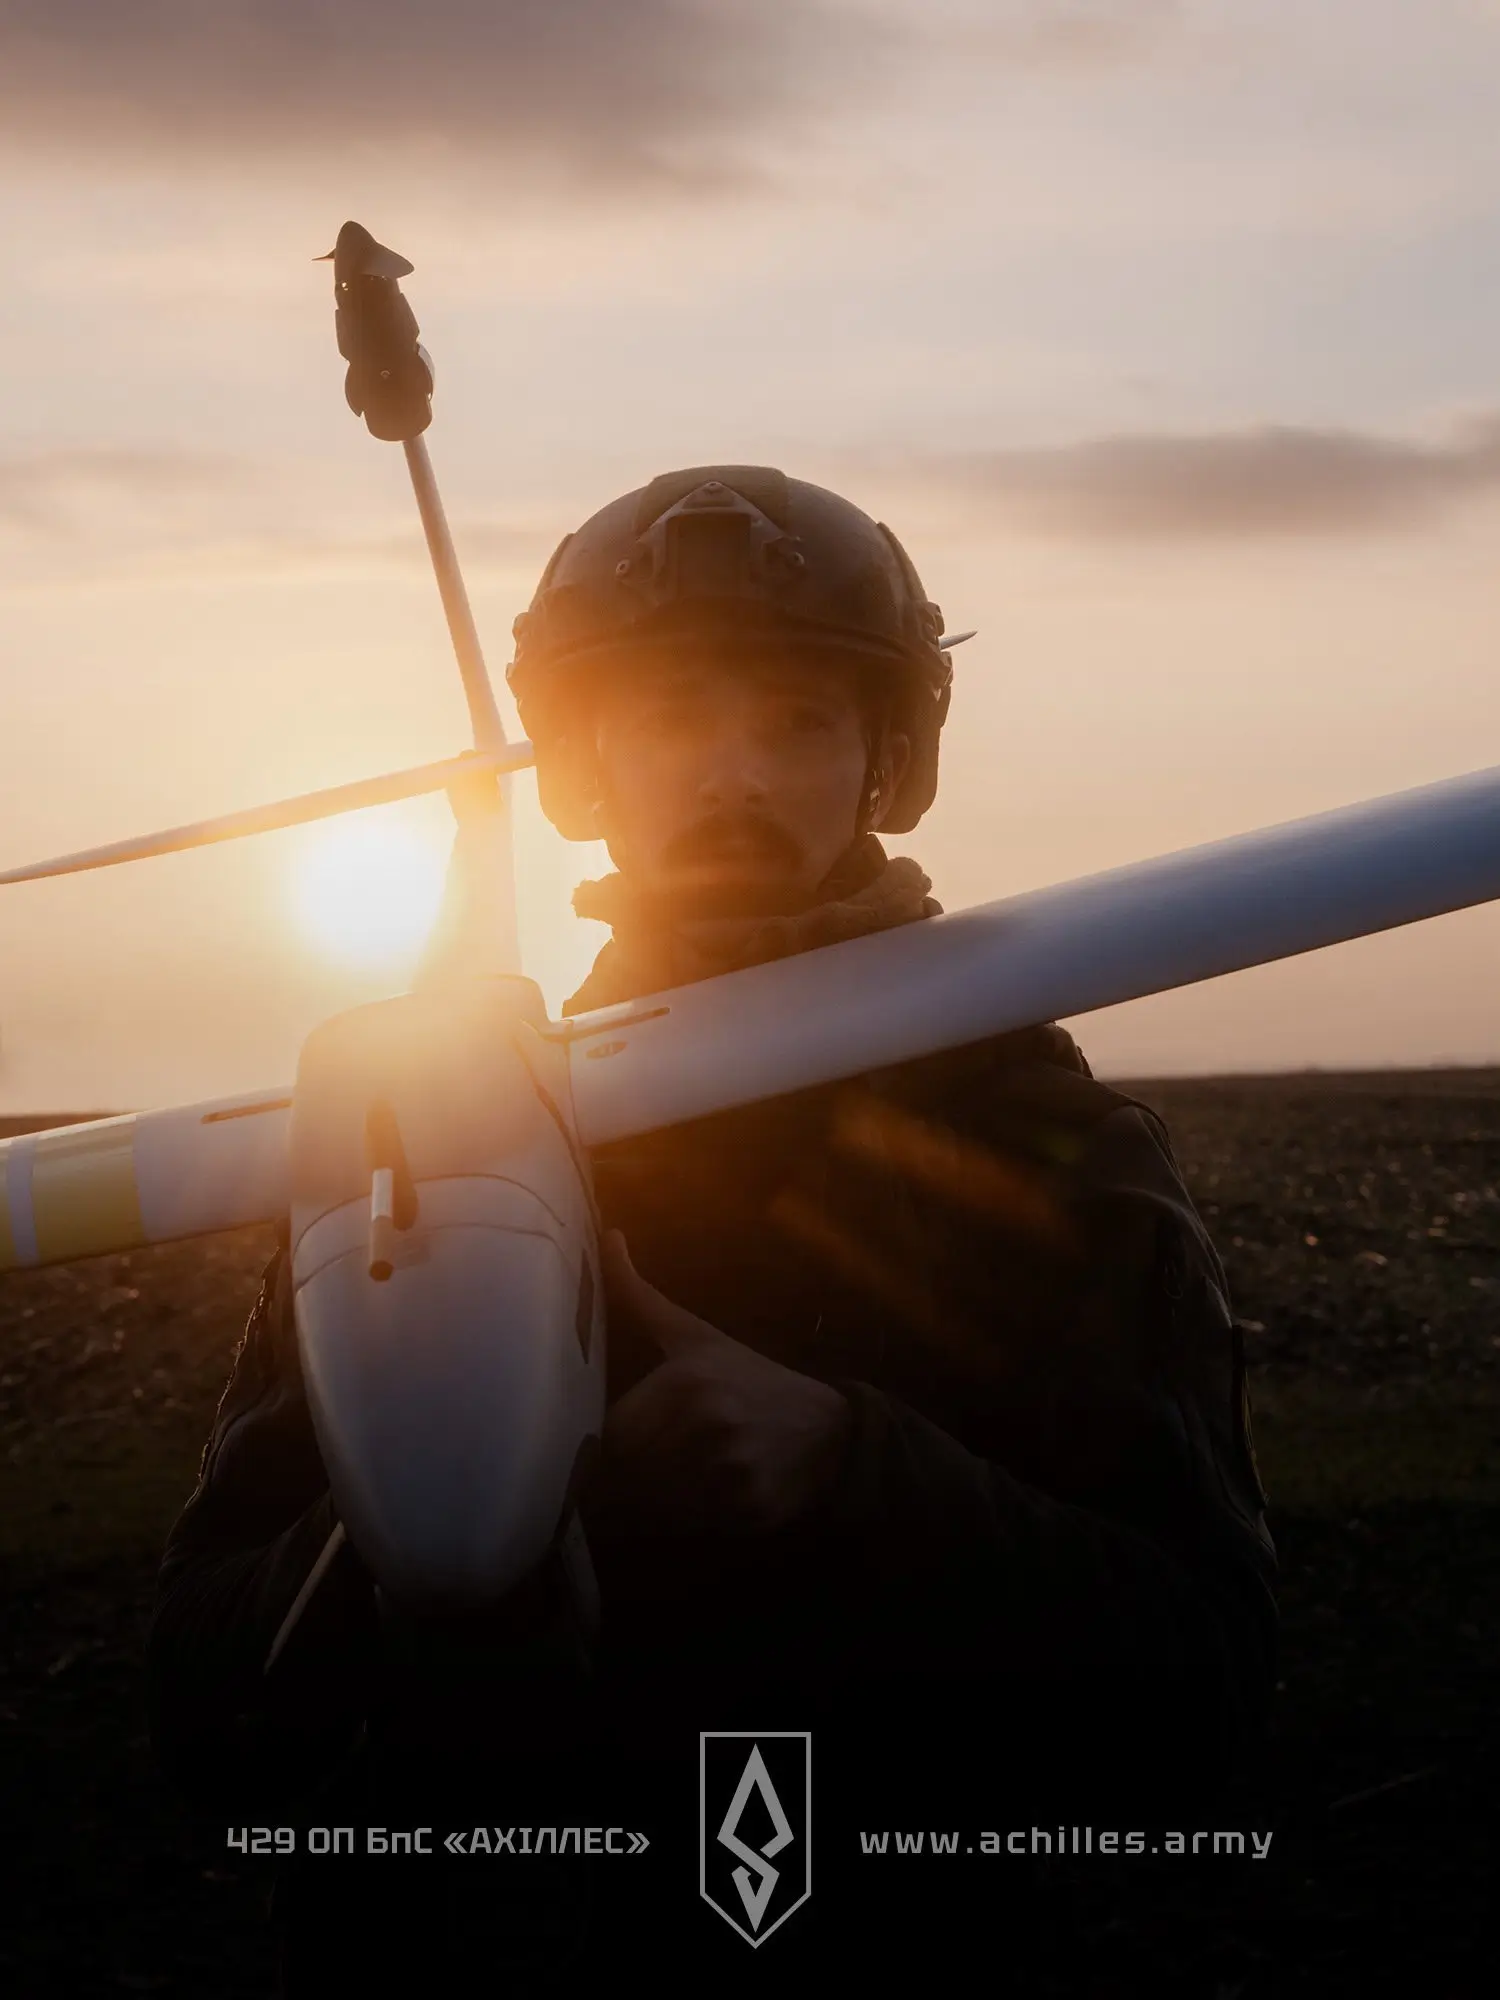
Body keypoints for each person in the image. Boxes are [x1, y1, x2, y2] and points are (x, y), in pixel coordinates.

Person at [146, 465, 1277, 1991]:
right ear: (589, 766)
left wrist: (852, 1467)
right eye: (673, 716)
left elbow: (1194, 1714)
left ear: (884, 759)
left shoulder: (1051, 1149)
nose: (732, 773)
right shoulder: (442, 1129)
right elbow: (208, 1720)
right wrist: (420, 1504)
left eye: (797, 720)